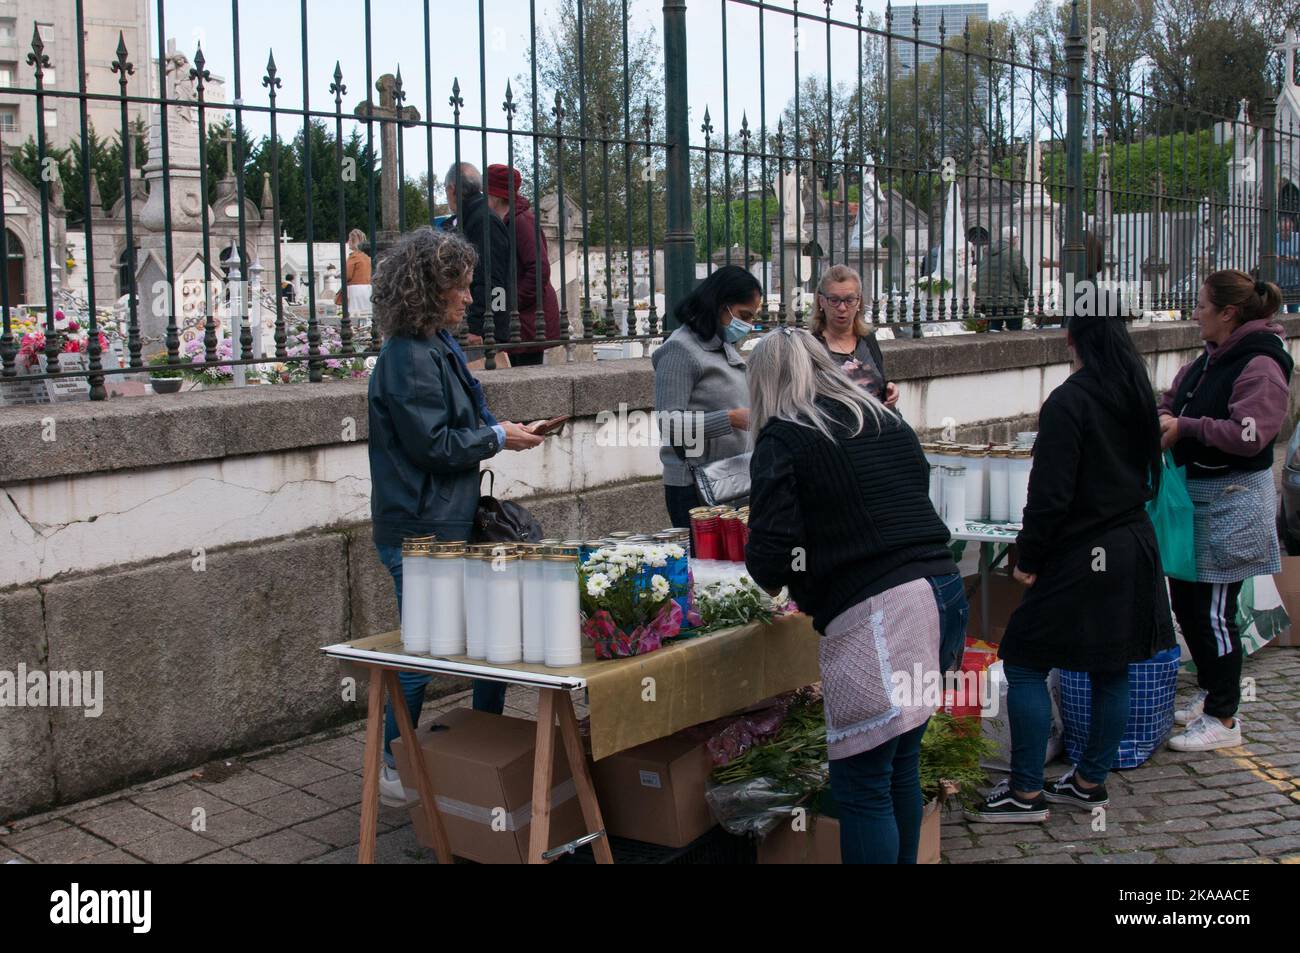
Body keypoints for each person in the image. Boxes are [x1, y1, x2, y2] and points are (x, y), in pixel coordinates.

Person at [744, 327, 960, 864]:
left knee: (861, 782)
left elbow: (771, 556)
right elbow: (907, 492)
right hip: (941, 589)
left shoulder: (784, 436)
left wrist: (786, 564)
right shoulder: (882, 417)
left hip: (883, 611)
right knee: (899, 765)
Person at [965, 314, 1175, 824]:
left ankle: (1026, 792)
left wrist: (1029, 558)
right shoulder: (1133, 393)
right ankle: (1088, 781)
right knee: (1112, 664)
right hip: (1131, 543)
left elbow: (1049, 495)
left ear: (1069, 338)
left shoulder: (1070, 400)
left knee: (1023, 658)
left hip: (1087, 548)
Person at [367, 227, 545, 806]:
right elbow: (434, 447)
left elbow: (466, 422)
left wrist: (504, 431)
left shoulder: (436, 344)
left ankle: (485, 746)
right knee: (425, 656)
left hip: (447, 520)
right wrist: (496, 436)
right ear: (428, 289)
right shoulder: (408, 356)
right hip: (422, 529)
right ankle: (394, 769)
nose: (470, 298)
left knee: (491, 642)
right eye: (461, 288)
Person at [1156, 271, 1292, 752]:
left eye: (1200, 305)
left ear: (1227, 313)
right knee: (1189, 606)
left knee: (1213, 615)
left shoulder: (1259, 364)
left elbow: (1252, 433)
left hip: (1231, 505)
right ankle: (1214, 693)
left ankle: (1224, 719)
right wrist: (1164, 418)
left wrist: (1187, 428)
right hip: (1197, 503)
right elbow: (1173, 402)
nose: (1194, 313)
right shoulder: (1208, 359)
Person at [651, 265, 759, 530]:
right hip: (695, 487)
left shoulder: (723, 347)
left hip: (733, 479)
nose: (747, 325)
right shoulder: (680, 350)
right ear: (721, 306)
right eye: (744, 315)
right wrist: (730, 418)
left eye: (752, 317)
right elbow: (669, 423)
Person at [486, 164, 562, 366]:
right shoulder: (506, 221)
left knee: (524, 375)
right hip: (520, 320)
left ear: (494, 196)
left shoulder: (521, 221)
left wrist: (512, 303)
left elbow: (539, 270)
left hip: (527, 320)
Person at [445, 162, 512, 360]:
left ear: (452, 189)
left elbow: (493, 280)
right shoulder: (470, 218)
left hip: (479, 333)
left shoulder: (483, 221)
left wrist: (479, 326)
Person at [810, 264, 900, 408]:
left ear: (859, 302)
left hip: (883, 423)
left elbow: (879, 382)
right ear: (821, 302)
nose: (842, 307)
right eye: (834, 300)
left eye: (849, 300)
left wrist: (888, 389)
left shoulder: (868, 338)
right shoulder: (811, 346)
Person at [976, 226, 1029, 331]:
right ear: (1013, 239)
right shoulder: (1014, 253)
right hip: (1009, 300)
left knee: (994, 328)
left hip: (990, 299)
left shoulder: (988, 252)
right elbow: (1021, 277)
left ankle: (992, 346)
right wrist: (1025, 293)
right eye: (1016, 238)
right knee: (1015, 330)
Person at [338, 228, 373, 322]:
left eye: (349, 239)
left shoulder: (354, 257)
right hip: (368, 288)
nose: (347, 242)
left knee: (354, 316)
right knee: (367, 314)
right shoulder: (367, 256)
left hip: (355, 290)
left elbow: (347, 275)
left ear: (353, 241)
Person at [1277, 216, 1300, 313]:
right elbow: (1265, 255)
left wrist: (1294, 259)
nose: (1285, 232)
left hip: (1295, 281)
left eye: (1288, 229)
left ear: (1292, 228)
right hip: (1277, 282)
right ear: (1278, 229)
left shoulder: (1298, 238)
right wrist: (1275, 259)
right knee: (1277, 311)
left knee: (1294, 311)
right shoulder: (1273, 238)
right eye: (1282, 230)